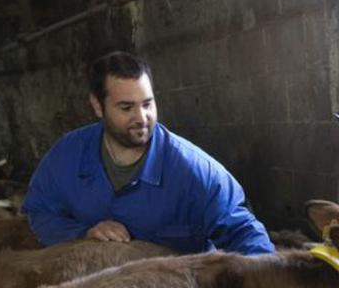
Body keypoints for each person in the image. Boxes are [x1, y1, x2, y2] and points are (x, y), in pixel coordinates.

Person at [22, 51, 274, 254]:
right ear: (98, 106)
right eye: (126, 107)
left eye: (147, 104)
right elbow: (38, 211)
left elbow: (244, 231)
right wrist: (81, 233)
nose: (141, 118)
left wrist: (268, 282)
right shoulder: (67, 156)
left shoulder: (192, 170)